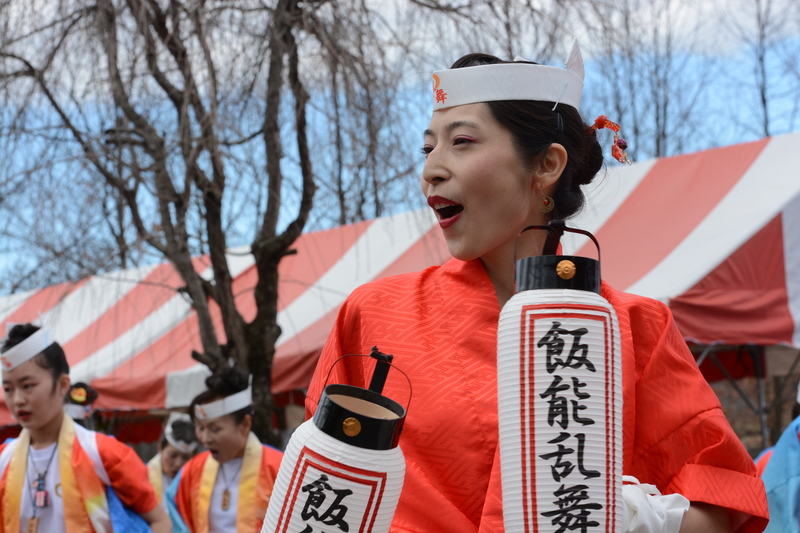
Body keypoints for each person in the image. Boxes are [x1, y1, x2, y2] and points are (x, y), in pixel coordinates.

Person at [305, 42, 769, 533]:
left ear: (547, 165)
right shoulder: (373, 314)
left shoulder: (636, 326)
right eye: (428, 147)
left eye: (461, 141)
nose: (431, 170)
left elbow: (725, 502)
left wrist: (637, 518)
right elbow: (317, 494)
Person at [0, 323, 171, 532]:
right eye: (8, 389)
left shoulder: (104, 454)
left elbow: (159, 521)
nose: (17, 400)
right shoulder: (3, 460)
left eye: (28, 386)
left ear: (63, 385)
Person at [168, 366, 283, 532]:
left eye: (215, 429)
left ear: (245, 424)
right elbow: (176, 519)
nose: (205, 438)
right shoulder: (192, 470)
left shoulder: (280, 468)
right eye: (200, 428)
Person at [148, 413, 198, 505]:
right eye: (172, 455)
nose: (178, 463)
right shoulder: (144, 477)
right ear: (160, 448)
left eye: (186, 457)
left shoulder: (199, 480)